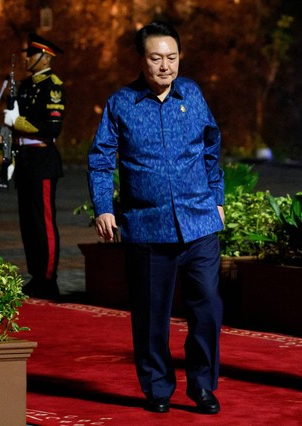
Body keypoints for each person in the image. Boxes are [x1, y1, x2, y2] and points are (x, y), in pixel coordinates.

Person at [87, 21, 225, 415]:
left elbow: (212, 146)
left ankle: (202, 386)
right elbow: (100, 160)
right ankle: (158, 387)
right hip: (147, 226)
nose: (165, 66)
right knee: (151, 315)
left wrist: (217, 197)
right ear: (141, 60)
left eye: (172, 57)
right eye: (156, 58)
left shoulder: (193, 95)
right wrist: (104, 207)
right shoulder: (121, 103)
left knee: (208, 307)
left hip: (199, 222)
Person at [3, 33, 65, 299]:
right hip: (26, 160)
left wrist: (17, 122)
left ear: (45, 57)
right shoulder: (26, 85)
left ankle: (48, 278)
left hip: (42, 159)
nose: (27, 58)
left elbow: (52, 127)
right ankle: (36, 274)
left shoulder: (53, 85)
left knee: (43, 223)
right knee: (27, 222)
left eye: (32, 54)